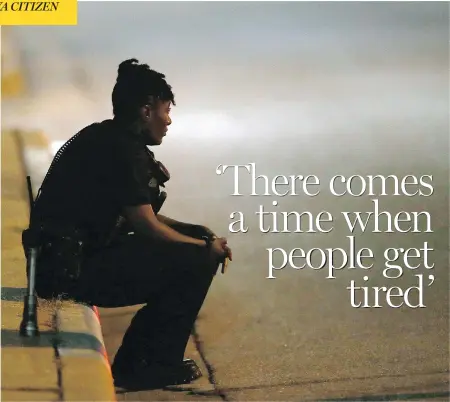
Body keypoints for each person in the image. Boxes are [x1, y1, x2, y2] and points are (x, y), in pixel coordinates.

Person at [28, 58, 232, 390]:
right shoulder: (124, 152)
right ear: (146, 110)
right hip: (69, 272)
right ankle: (147, 364)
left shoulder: (108, 137)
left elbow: (140, 216)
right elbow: (147, 226)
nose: (169, 121)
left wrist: (195, 233)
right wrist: (204, 248)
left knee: (194, 243)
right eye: (166, 111)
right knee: (197, 261)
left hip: (65, 261)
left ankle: (142, 359)